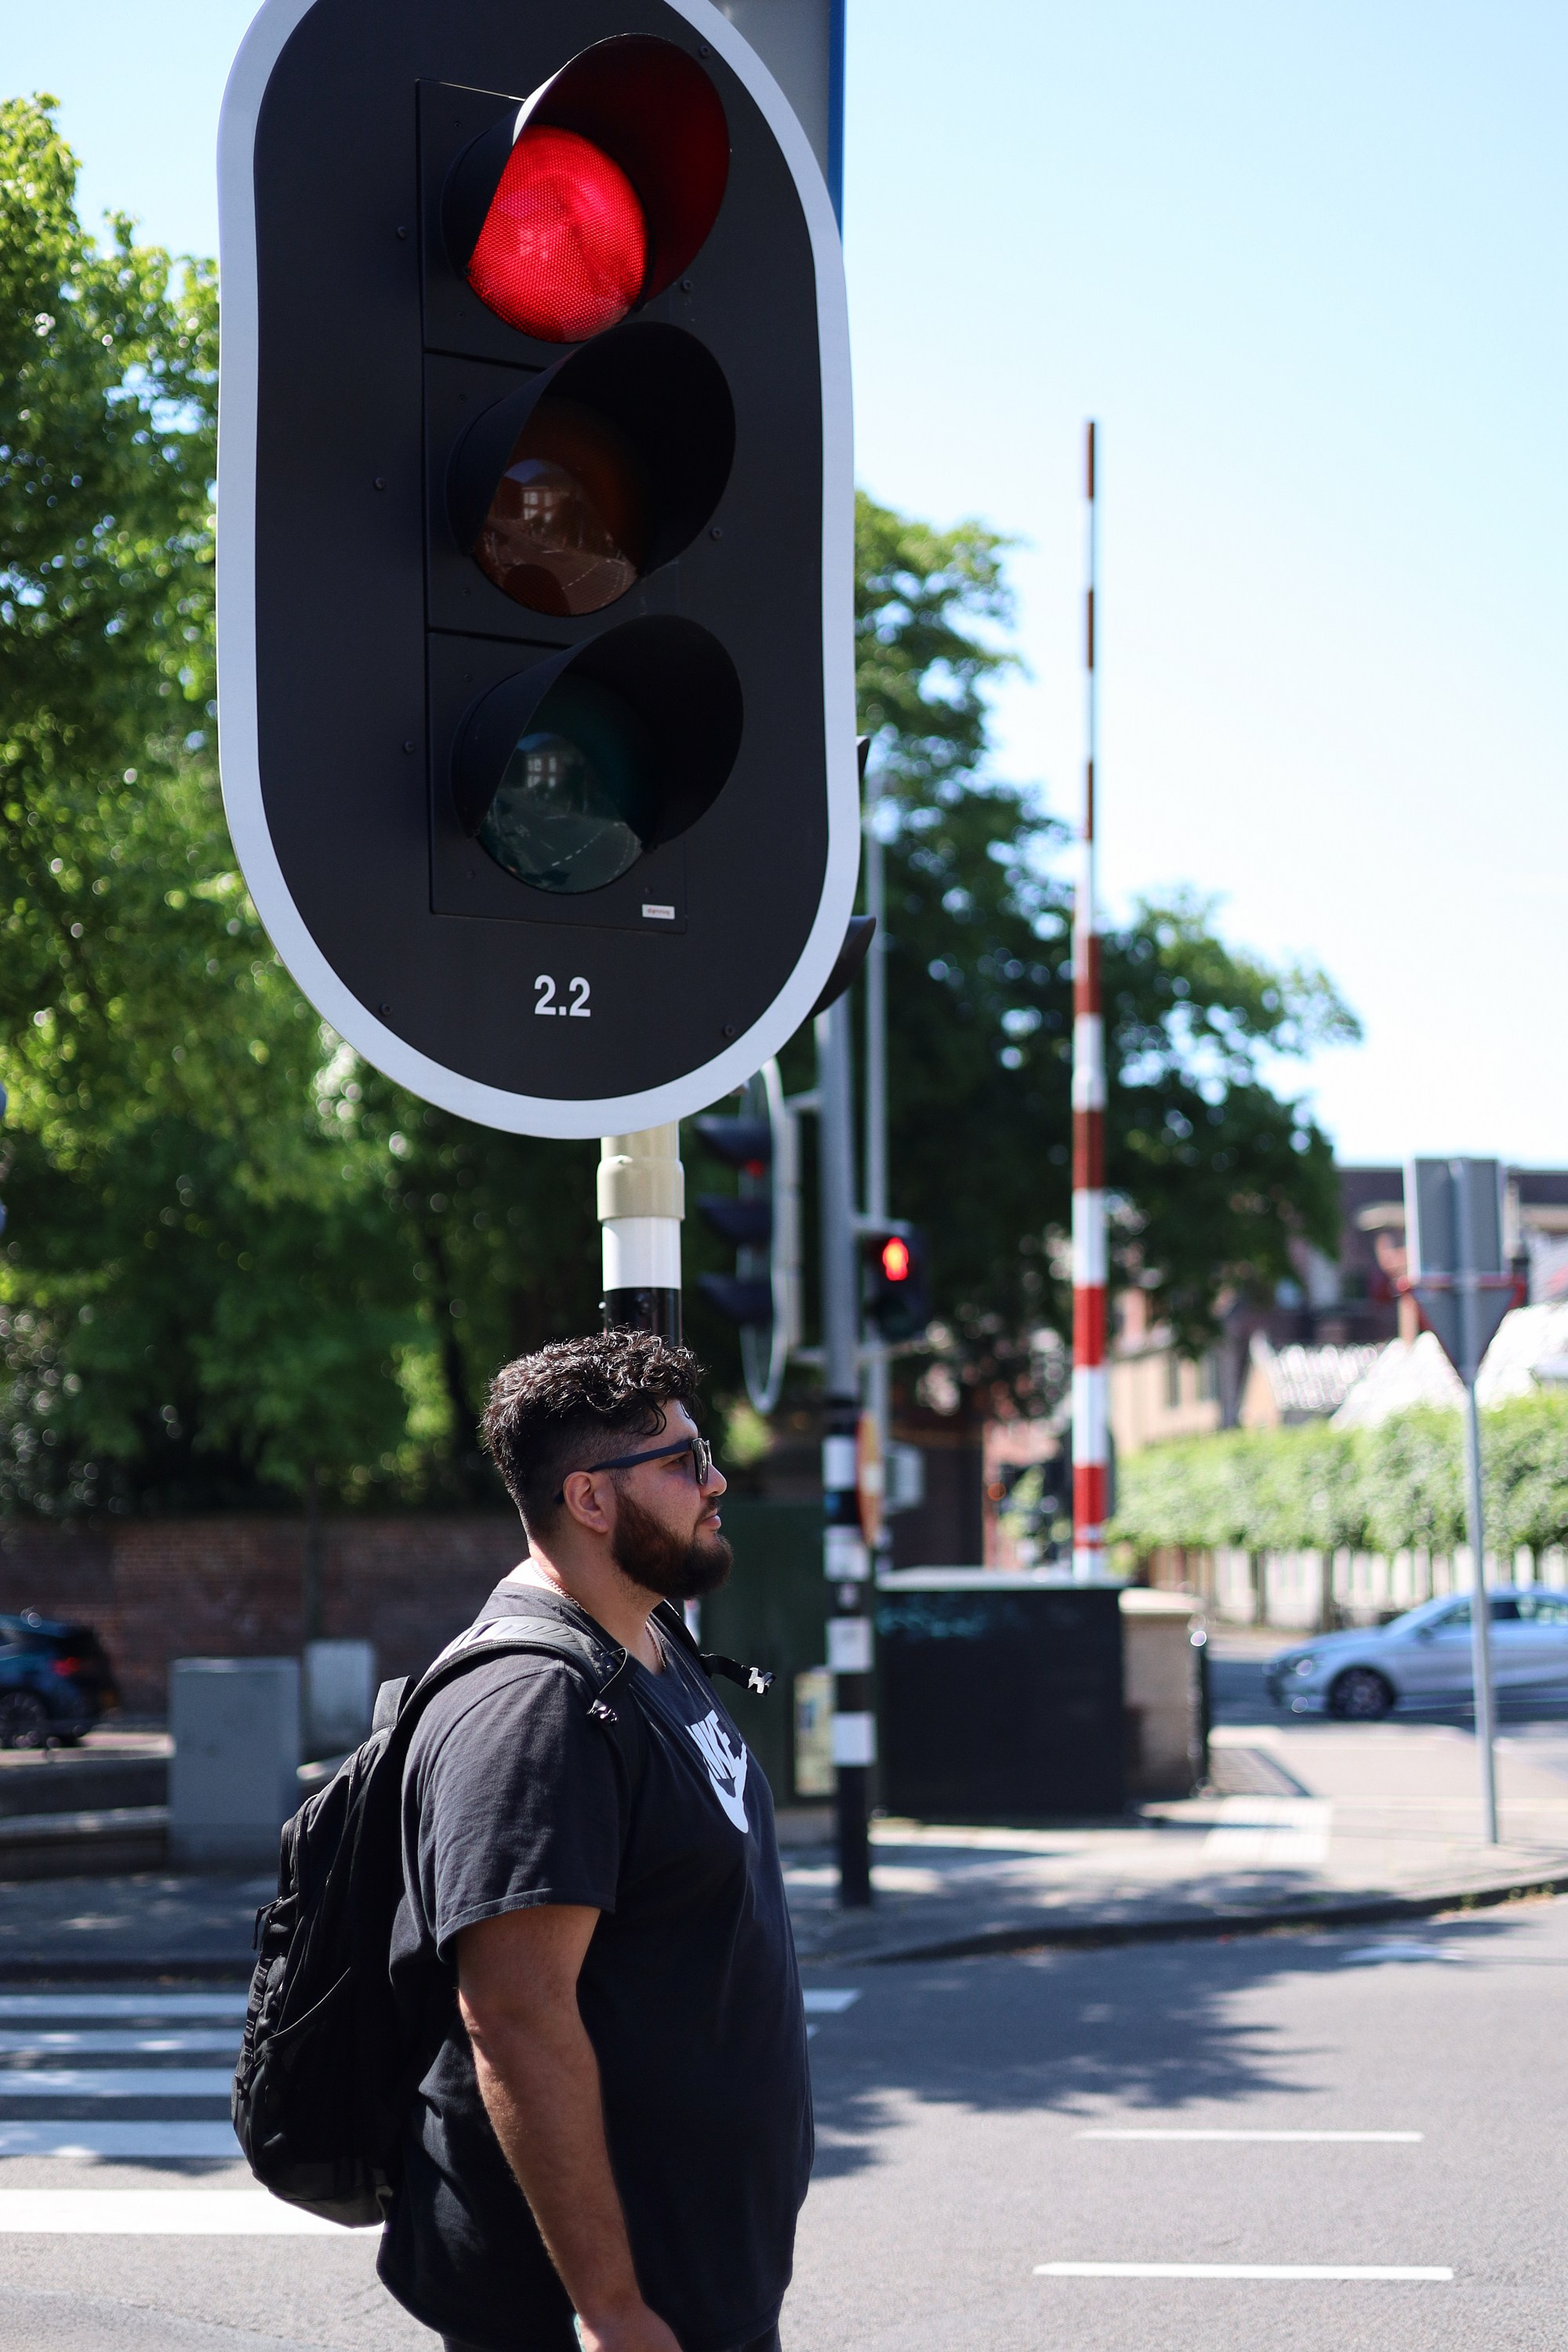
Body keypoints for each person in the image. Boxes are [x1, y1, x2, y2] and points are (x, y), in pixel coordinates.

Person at [377, 1330, 811, 2352]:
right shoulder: (532, 1707)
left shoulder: (651, 1640)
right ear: (590, 1499)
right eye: (685, 1461)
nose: (716, 1482)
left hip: (700, 2278)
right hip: (596, 2309)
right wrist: (612, 2310)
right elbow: (515, 2020)